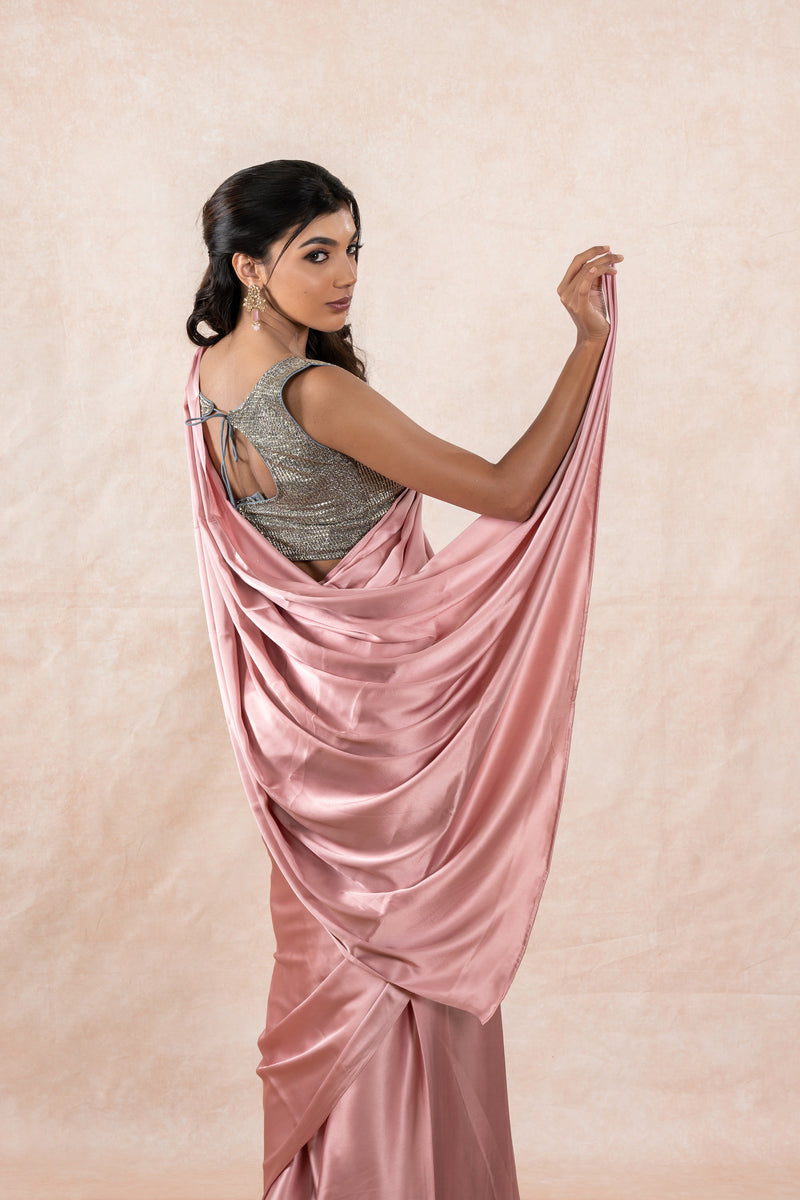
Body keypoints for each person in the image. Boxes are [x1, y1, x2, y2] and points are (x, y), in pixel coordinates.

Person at [184, 159, 621, 1200]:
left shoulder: (202, 381)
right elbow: (512, 491)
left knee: (337, 967)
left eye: (350, 250)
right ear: (249, 266)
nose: (343, 276)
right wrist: (586, 346)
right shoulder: (316, 392)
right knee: (407, 962)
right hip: (382, 738)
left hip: (295, 735)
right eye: (315, 253)